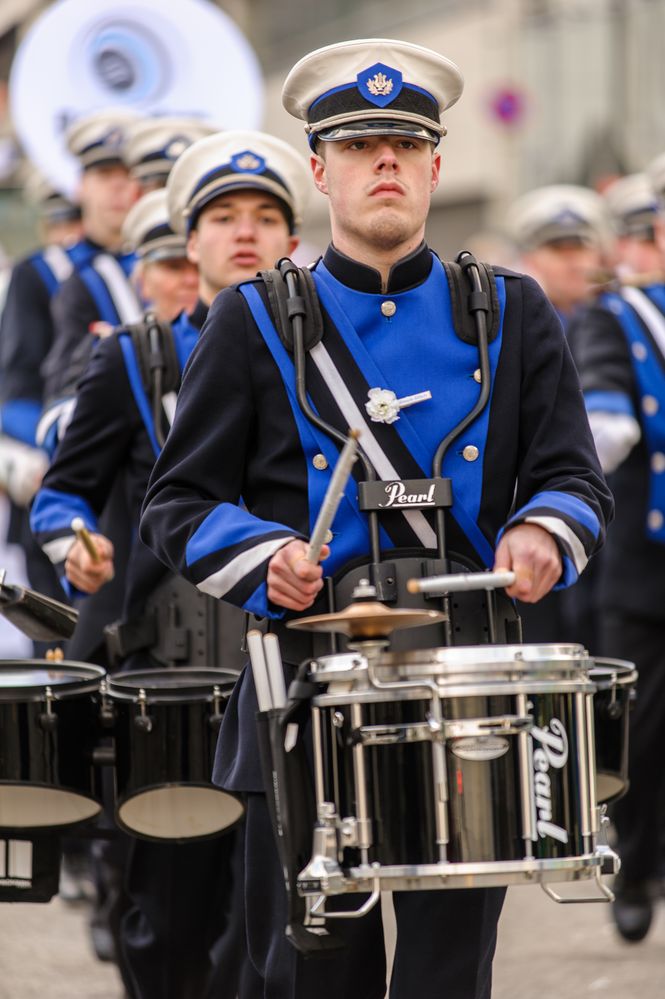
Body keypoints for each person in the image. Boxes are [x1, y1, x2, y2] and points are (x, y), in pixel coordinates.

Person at [140, 39, 612, 999]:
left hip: (469, 691)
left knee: (449, 977)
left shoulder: (511, 314)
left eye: (403, 143)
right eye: (359, 146)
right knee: (312, 977)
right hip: (305, 694)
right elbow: (175, 504)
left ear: (437, 165)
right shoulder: (255, 319)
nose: (384, 163)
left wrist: (540, 532)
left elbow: (573, 476)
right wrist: (264, 551)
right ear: (320, 169)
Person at [31, 131, 310, 999]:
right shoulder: (133, 356)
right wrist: (73, 541)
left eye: (266, 217)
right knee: (169, 910)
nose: (245, 233)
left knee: (281, 913)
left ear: (293, 241)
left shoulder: (325, 353)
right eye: (222, 216)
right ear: (188, 242)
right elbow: (60, 491)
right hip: (170, 677)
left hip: (284, 666)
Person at [567, 153, 665, 944]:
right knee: (643, 725)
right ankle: (635, 864)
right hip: (641, 564)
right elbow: (602, 425)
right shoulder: (614, 316)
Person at [505, 184, 613, 647]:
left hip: (607, 527)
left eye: (581, 247)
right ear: (532, 256)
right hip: (539, 522)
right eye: (557, 248)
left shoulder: (616, 323)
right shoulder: (518, 328)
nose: (573, 262)